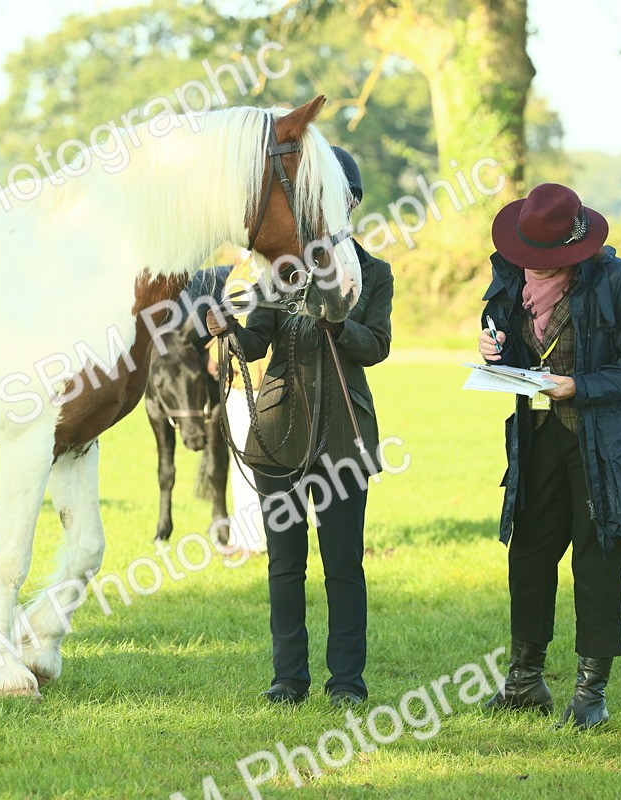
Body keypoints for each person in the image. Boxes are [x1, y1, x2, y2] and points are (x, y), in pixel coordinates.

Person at [207, 146, 393, 706]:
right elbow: (255, 343)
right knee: (285, 565)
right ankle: (288, 679)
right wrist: (227, 329)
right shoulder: (279, 273)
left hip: (344, 438)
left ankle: (347, 682)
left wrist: (337, 322)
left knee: (344, 565)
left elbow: (376, 347)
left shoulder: (374, 274)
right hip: (277, 433)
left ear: (350, 204)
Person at [477, 183, 621, 729]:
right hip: (537, 438)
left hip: (606, 448)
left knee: (597, 560)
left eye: (544, 256)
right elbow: (514, 348)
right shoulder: (511, 277)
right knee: (527, 556)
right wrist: (494, 351)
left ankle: (589, 697)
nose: (532, 264)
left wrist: (578, 386)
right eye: (527, 253)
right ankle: (524, 682)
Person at [210, 248, 271, 554]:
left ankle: (257, 539)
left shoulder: (265, 269)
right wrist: (214, 353)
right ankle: (244, 536)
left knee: (260, 464)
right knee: (242, 462)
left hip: (263, 381)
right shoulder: (240, 270)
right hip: (238, 381)